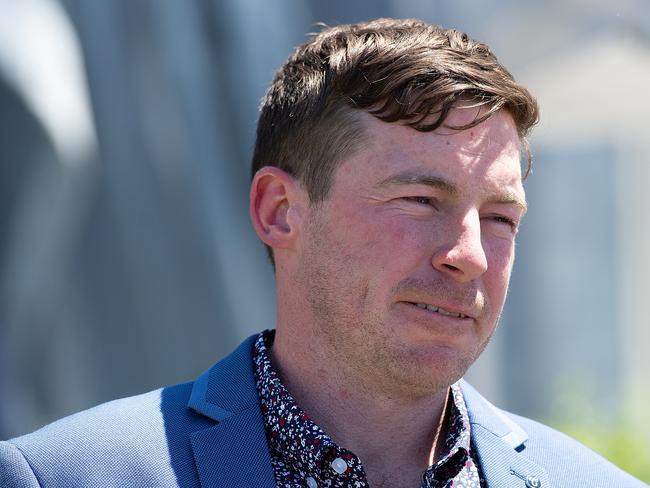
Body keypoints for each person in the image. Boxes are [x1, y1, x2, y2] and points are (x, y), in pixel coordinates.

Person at [0, 18, 645, 488]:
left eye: (501, 217)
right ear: (280, 211)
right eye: (420, 200)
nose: (470, 255)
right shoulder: (63, 477)